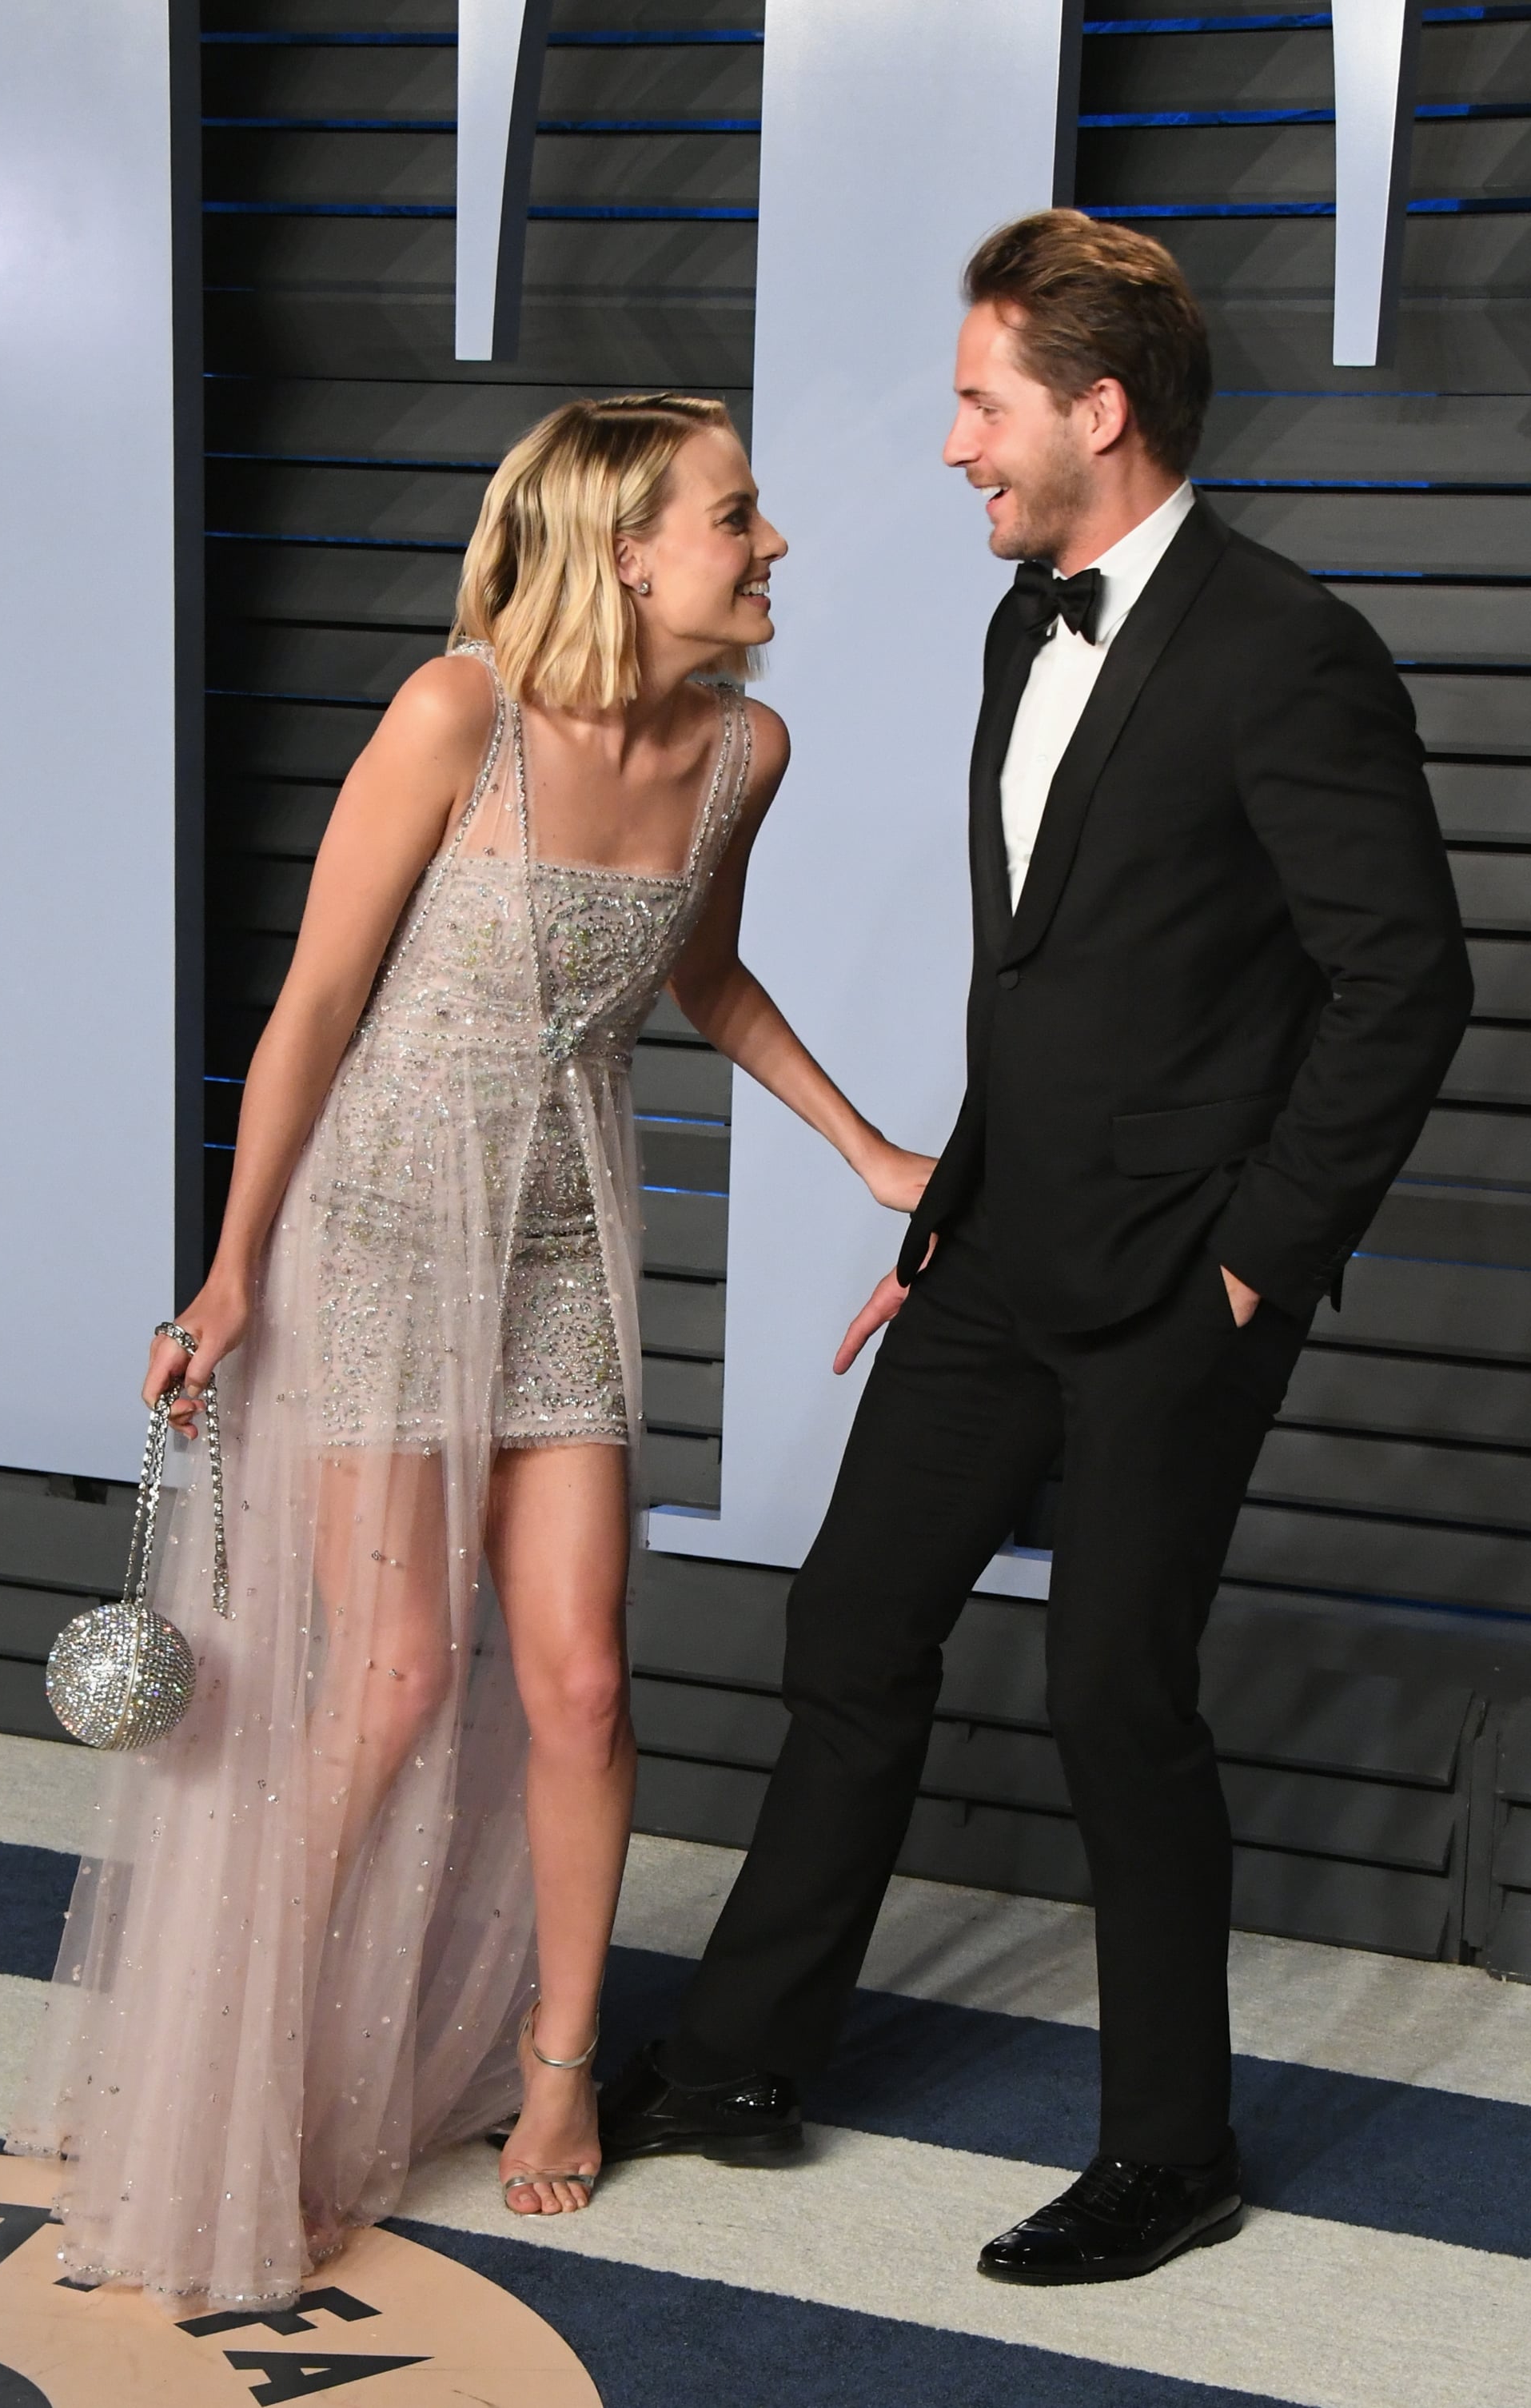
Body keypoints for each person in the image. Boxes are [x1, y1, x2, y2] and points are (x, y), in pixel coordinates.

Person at [598, 213, 1473, 2284]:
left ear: (1098, 408)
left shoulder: (1291, 648)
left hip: (1188, 1280)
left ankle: (1172, 2150)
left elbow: (1406, 983)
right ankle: (736, 2059)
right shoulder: (1027, 616)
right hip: (1003, 1252)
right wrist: (955, 1207)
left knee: (1112, 1695)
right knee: (855, 1631)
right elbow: (1054, 983)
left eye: (983, 400)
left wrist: (1260, 1255)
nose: (952, 446)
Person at [8, 393, 933, 2309]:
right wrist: (229, 1272)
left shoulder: (742, 747)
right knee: (399, 1683)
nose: (771, 549)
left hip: (565, 1229)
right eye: (737, 516)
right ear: (623, 546)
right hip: (378, 1222)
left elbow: (699, 975)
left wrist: (865, 1151)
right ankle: (237, 2082)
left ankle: (559, 2067)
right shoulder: (458, 714)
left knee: (583, 1684)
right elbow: (316, 1002)